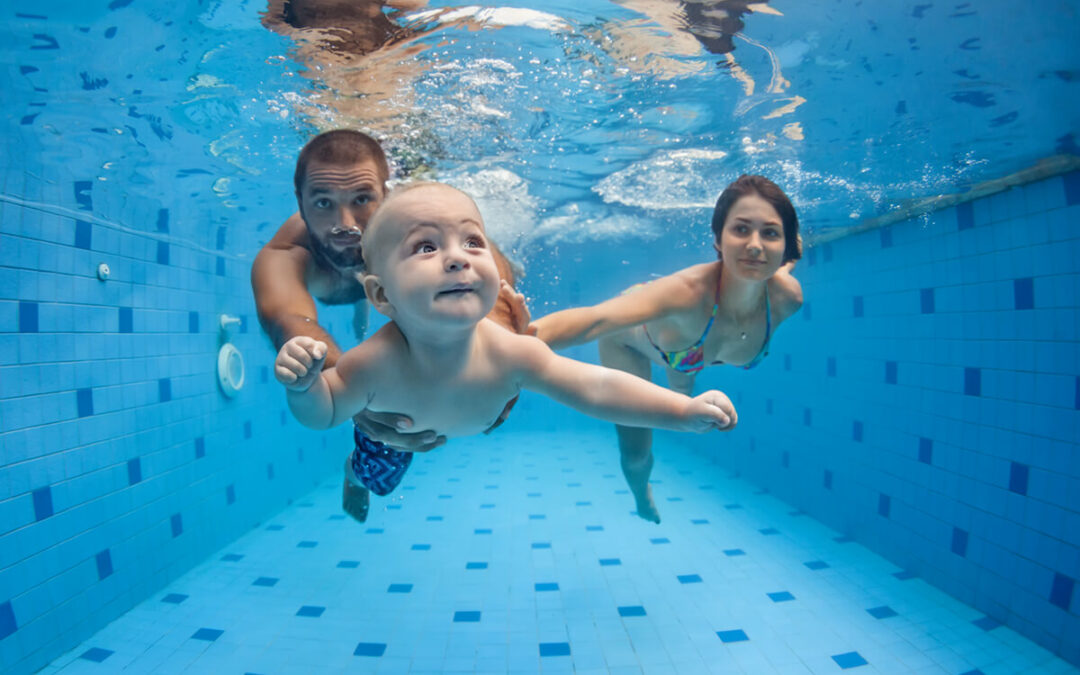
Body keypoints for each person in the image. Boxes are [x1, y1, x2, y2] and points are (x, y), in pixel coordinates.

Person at [274, 183, 738, 474]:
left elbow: (597, 387)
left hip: (443, 420)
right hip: (390, 431)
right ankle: (355, 475)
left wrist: (682, 410)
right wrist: (305, 386)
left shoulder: (512, 353)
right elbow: (327, 412)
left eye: (472, 240)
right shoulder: (371, 366)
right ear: (380, 297)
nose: (457, 257)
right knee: (379, 477)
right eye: (425, 247)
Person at [251, 129, 527, 522]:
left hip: (402, 308)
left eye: (362, 199)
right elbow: (291, 319)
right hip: (381, 300)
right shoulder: (287, 255)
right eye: (323, 203)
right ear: (300, 203)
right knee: (381, 467)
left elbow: (485, 268)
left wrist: (501, 350)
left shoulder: (414, 225)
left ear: (386, 194)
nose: (344, 225)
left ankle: (372, 310)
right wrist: (351, 389)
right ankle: (356, 476)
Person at [530, 175, 803, 523]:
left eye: (770, 233)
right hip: (631, 339)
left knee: (685, 371)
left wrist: (788, 255)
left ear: (784, 246)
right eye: (741, 230)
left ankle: (681, 379)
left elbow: (779, 263)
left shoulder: (786, 298)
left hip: (688, 344)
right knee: (636, 451)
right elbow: (593, 321)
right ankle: (641, 495)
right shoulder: (685, 293)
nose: (754, 245)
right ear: (718, 238)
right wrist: (509, 339)